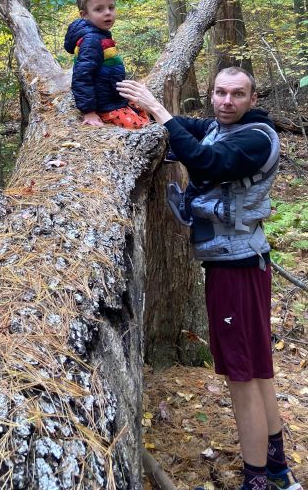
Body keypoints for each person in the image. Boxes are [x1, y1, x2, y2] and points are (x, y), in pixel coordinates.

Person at [116, 68, 303, 490]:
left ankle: (256, 482)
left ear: (252, 100)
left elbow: (206, 161)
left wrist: (158, 108)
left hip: (236, 269)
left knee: (242, 378)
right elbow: (188, 129)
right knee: (257, 371)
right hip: (242, 263)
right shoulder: (222, 126)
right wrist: (133, 106)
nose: (225, 101)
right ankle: (277, 472)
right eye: (219, 92)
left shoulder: (253, 138)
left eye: (237, 94)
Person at [64, 0, 149, 129]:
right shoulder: (92, 40)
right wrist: (88, 111)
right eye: (99, 9)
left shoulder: (100, 35)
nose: (107, 12)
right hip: (105, 106)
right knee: (141, 128)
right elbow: (81, 77)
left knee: (147, 110)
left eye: (111, 7)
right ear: (85, 15)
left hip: (113, 99)